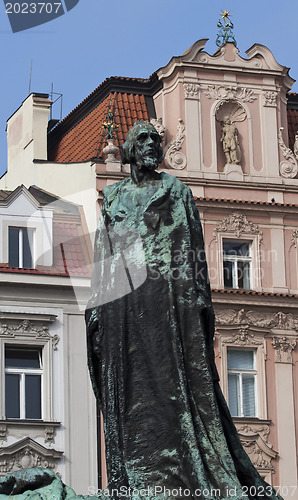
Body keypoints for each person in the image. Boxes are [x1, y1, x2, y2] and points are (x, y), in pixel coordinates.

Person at [85, 121, 282, 500]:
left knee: (175, 386)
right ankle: (133, 479)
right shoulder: (112, 198)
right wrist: (98, 306)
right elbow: (104, 255)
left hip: (167, 301)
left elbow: (192, 254)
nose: (150, 146)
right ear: (128, 149)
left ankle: (180, 474)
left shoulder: (177, 191)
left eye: (155, 141)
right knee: (129, 388)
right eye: (142, 140)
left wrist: (197, 303)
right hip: (124, 303)